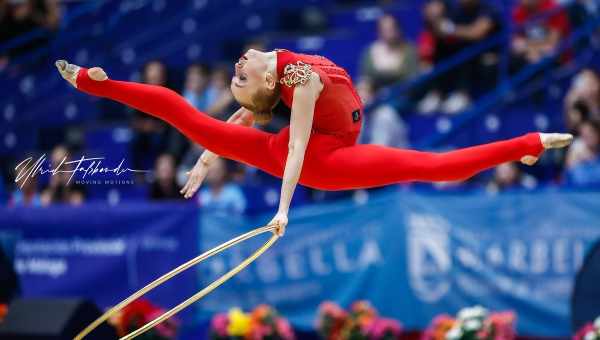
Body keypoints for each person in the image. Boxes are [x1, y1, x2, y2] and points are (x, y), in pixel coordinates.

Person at [55, 49, 573, 235]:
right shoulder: (293, 81)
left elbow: (262, 121)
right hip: (319, 160)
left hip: (320, 147)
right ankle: (95, 84)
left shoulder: (285, 72)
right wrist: (213, 161)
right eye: (240, 76)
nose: (237, 68)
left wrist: (273, 202)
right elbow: (286, 140)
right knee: (182, 113)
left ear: (265, 79)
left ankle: (522, 144)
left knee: (433, 166)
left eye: (239, 74)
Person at [360, 14, 418, 91]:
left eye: (391, 28)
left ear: (398, 29)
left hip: (403, 94)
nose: (388, 33)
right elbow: (365, 79)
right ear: (378, 32)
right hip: (375, 96)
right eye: (384, 29)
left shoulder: (409, 50)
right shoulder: (370, 51)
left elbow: (412, 79)